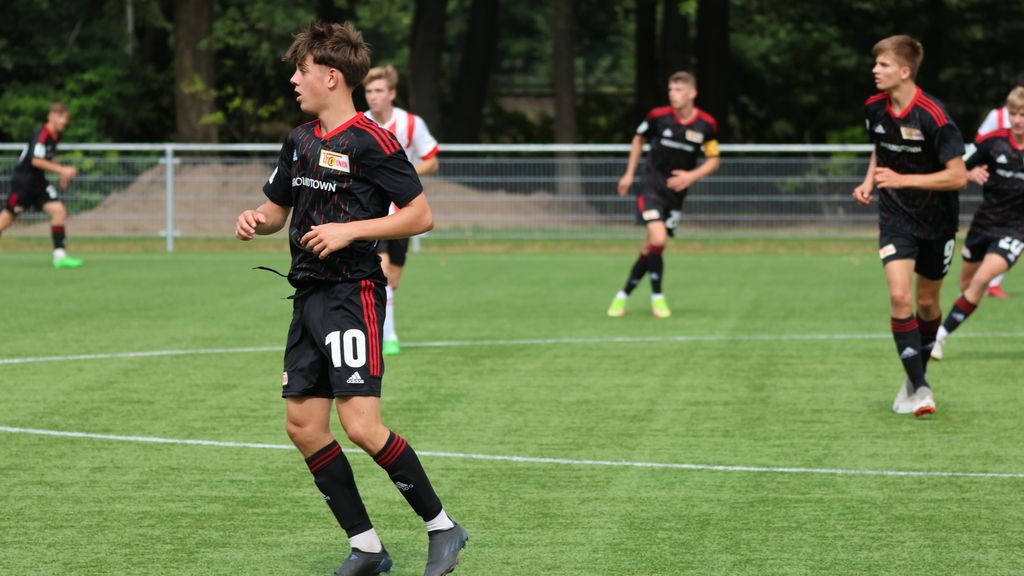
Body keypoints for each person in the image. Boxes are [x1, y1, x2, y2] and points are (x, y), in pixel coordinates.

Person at [234, 22, 467, 576]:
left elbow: (420, 215)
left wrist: (350, 230)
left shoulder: (373, 141)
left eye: (303, 70)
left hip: (353, 293)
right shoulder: (300, 140)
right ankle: (366, 547)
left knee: (361, 425)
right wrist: (255, 219)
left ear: (332, 77)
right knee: (303, 427)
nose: (294, 79)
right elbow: (275, 211)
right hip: (307, 296)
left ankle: (443, 527)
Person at [852, 35, 968, 417]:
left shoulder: (935, 116)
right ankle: (920, 386)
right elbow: (880, 147)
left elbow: (957, 177)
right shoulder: (873, 107)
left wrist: (902, 180)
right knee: (901, 297)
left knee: (927, 303)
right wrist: (871, 181)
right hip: (896, 218)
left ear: (904, 71)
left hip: (938, 222)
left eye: (883, 65)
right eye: (876, 64)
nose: (875, 70)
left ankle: (911, 377)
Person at [606, 71, 720, 318]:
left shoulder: (706, 125)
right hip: (650, 187)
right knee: (658, 239)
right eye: (670, 90)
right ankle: (658, 298)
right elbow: (638, 139)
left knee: (651, 246)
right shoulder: (658, 117)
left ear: (692, 94)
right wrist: (628, 174)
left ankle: (622, 296)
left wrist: (691, 176)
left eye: (678, 90)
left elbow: (713, 160)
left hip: (675, 195)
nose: (673, 95)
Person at [929, 87, 1024, 361]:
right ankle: (958, 314)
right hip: (983, 224)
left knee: (983, 279)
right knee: (967, 286)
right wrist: (970, 172)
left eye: (1022, 115)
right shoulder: (993, 143)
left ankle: (939, 337)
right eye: (1014, 114)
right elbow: (957, 166)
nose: (1018, 120)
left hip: (1015, 230)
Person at [363, 65, 440, 356]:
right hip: (372, 210)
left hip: (403, 212)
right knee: (380, 272)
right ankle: (388, 336)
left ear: (392, 93)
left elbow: (432, 160)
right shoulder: (361, 124)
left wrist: (404, 174)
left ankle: (381, 326)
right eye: (369, 91)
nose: (373, 97)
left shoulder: (411, 124)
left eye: (379, 91)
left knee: (392, 280)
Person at [0, 101, 84, 268]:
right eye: (60, 117)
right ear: (51, 116)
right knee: (7, 219)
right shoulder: (42, 134)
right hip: (23, 184)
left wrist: (61, 172)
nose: (63, 122)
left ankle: (60, 257)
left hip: (39, 184)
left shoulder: (56, 135)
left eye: (65, 118)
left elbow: (47, 157)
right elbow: (36, 160)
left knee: (59, 211)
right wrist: (61, 170)